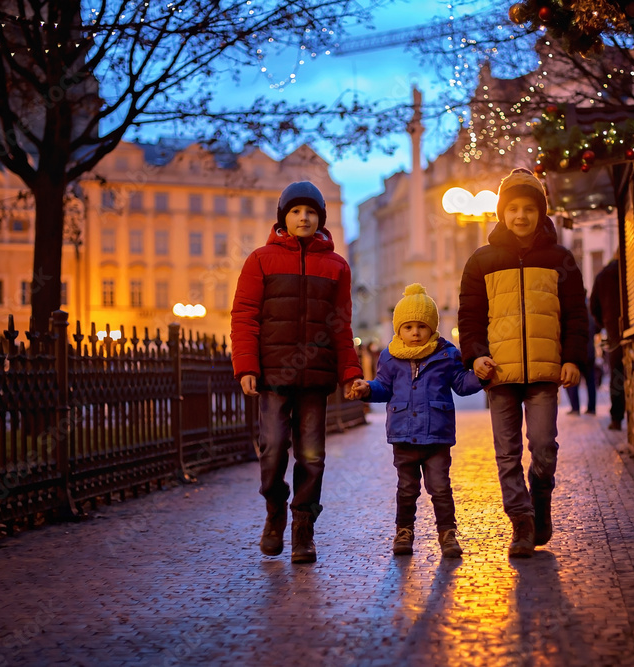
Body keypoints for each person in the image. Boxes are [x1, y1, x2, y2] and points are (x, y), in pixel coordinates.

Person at [458, 167, 588, 558]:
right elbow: (470, 316)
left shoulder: (560, 258)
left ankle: (541, 500)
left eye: (528, 208)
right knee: (507, 452)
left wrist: (573, 359)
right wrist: (476, 354)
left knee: (544, 445)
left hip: (546, 371)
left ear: (540, 212)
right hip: (499, 372)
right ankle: (521, 522)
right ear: (501, 212)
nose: (520, 216)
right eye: (512, 208)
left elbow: (577, 314)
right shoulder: (481, 261)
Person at [231, 181, 362, 564]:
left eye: (310, 212)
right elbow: (245, 316)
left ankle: (303, 530)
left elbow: (342, 325)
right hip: (272, 375)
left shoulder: (337, 265)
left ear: (320, 218)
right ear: (283, 218)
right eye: (295, 211)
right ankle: (275, 512)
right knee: (272, 450)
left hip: (315, 379)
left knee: (312, 457)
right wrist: (246, 368)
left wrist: (350, 372)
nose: (303, 217)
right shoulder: (260, 259)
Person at [348, 284, 483, 559]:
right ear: (399, 329)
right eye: (408, 327)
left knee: (440, 488)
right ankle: (404, 531)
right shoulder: (389, 355)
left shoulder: (447, 354)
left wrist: (481, 376)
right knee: (406, 489)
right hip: (404, 435)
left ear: (432, 327)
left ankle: (447, 532)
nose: (415, 333)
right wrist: (368, 389)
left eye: (421, 326)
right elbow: (384, 386)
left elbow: (460, 383)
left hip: (437, 435)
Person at [591, 253, 625, 430]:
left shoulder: (603, 275)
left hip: (613, 331)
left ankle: (617, 418)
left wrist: (604, 323)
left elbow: (593, 306)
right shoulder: (629, 270)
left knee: (617, 375)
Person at [564, 306, 599, 416]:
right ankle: (591, 408)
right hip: (590, 353)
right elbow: (597, 328)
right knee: (590, 382)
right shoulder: (590, 314)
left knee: (573, 381)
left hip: (578, 353)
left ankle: (575, 408)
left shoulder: (574, 315)